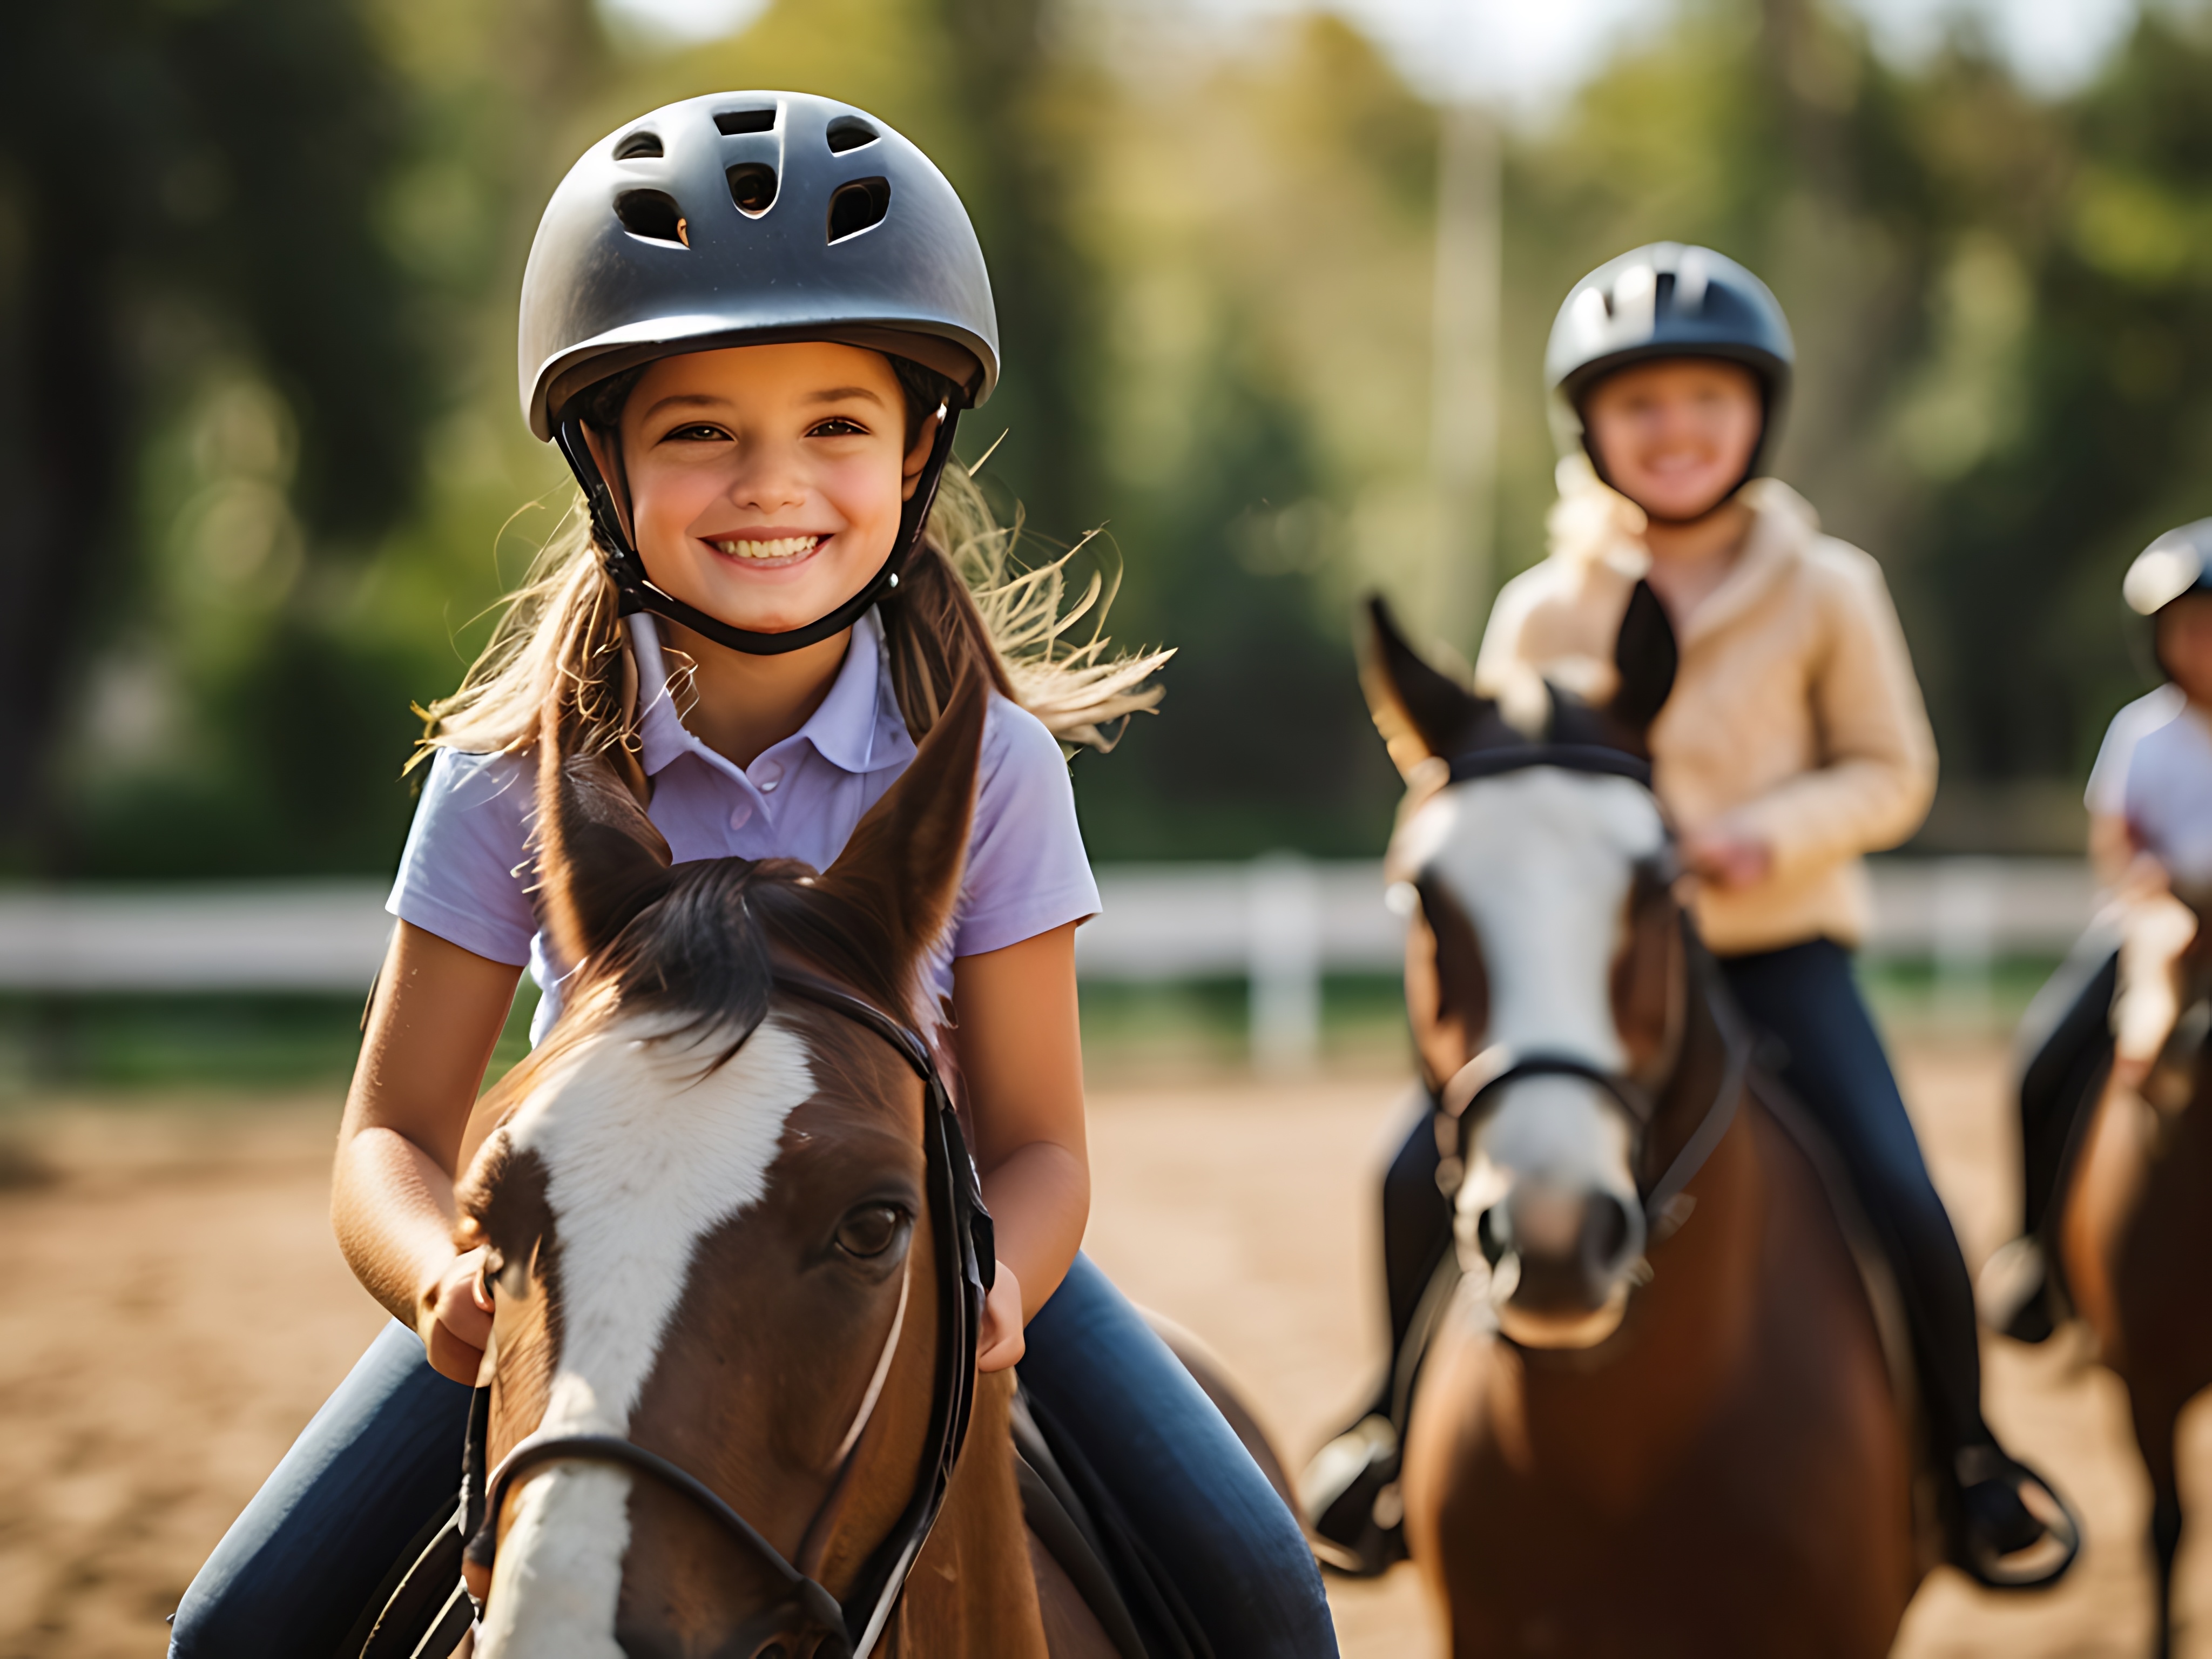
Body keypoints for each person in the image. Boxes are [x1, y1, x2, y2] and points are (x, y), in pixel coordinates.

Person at [169, 92, 1339, 1659]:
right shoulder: (507, 772)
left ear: (917, 450)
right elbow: (388, 1131)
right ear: (607, 458)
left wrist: (1000, 1293)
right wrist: (442, 1275)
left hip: (897, 1253)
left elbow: (1041, 1145)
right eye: (700, 430)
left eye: (835, 427)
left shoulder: (990, 770)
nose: (770, 485)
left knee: (1264, 1594)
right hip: (578, 1285)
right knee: (235, 1631)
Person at [1304, 242, 2075, 1588]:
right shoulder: (1542, 607)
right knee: (1399, 1172)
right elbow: (1480, 791)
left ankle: (1965, 1463)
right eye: (1639, 406)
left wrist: (1752, 840)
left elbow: (1892, 773)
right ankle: (1385, 1425)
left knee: (1898, 1185)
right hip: (1577, 982)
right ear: (1589, 428)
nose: (1673, 432)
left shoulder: (1830, 587)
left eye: (1704, 402)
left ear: (1756, 417)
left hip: (1776, 953)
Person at [1981, 517, 2212, 1343]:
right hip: (2157, 925)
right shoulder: (2142, 734)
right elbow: (2115, 843)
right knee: (2041, 1063)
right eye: (2191, 628)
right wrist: (2152, 884)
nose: (2206, 645)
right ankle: (2038, 1253)